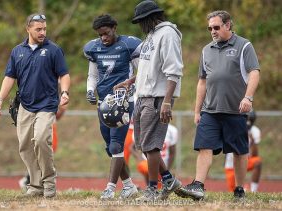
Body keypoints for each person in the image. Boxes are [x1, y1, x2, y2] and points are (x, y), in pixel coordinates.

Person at [180, 10, 260, 200]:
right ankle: (198, 186)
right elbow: (202, 81)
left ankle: (239, 189)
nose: (213, 31)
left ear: (228, 25)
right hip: (210, 110)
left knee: (240, 151)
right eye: (210, 28)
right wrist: (197, 110)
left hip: (236, 110)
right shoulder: (206, 49)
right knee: (204, 146)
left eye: (216, 27)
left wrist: (248, 98)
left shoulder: (244, 45)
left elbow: (254, 72)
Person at [0, 13, 70, 198]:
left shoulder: (53, 50)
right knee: (25, 146)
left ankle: (49, 182)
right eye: (38, 29)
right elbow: (10, 77)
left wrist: (65, 92)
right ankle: (36, 186)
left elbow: (64, 75)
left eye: (44, 28)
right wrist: (0, 99)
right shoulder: (17, 51)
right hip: (25, 106)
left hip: (47, 105)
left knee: (42, 139)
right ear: (28, 28)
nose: (42, 32)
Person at [114, 0, 183, 201]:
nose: (140, 26)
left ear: (148, 19)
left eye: (140, 21)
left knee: (152, 145)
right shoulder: (151, 36)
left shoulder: (168, 34)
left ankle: (153, 189)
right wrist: (129, 81)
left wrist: (167, 102)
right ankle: (169, 180)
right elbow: (147, 69)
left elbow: (174, 70)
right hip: (143, 95)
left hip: (158, 97)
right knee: (143, 144)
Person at [83, 14, 141, 200]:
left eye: (106, 33)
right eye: (100, 35)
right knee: (110, 148)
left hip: (123, 101)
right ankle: (129, 186)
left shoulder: (128, 45)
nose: (103, 38)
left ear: (114, 28)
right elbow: (93, 75)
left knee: (117, 144)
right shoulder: (94, 48)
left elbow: (142, 73)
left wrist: (134, 95)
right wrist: (90, 90)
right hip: (103, 102)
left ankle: (109, 188)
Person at [19, 104, 68, 191]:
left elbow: (57, 116)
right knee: (38, 154)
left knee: (46, 155)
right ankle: (30, 180)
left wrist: (61, 109)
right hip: (41, 127)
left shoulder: (53, 98)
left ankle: (45, 182)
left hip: (50, 128)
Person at [225, 110, 262, 192]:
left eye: (250, 120)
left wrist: (252, 141)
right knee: (234, 192)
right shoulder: (234, 128)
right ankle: (243, 188)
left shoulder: (254, 131)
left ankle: (253, 191)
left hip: (245, 162)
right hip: (231, 166)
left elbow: (255, 155)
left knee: (257, 162)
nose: (248, 123)